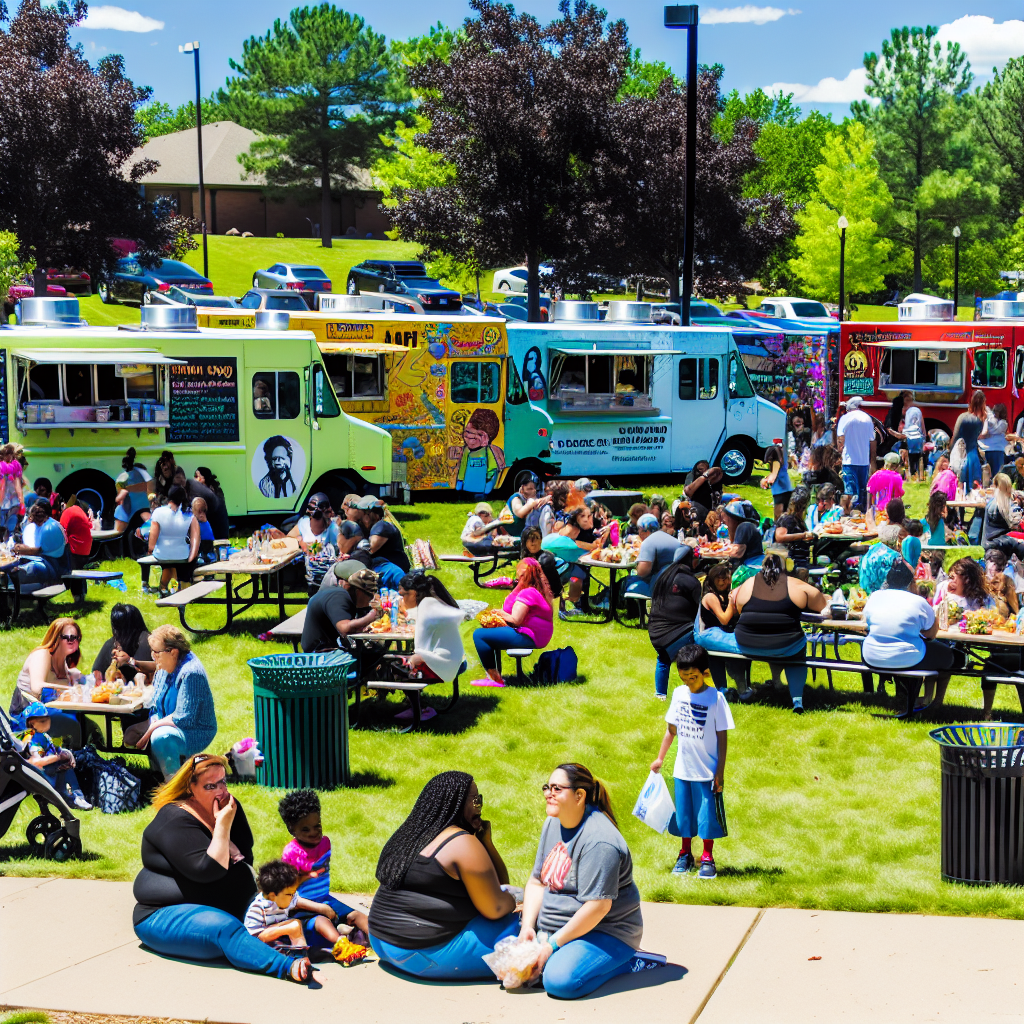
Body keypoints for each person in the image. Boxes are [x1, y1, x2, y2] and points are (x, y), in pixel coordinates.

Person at [133, 754, 311, 983]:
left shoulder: (227, 807)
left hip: (226, 908)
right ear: (190, 787)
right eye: (210, 785)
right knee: (225, 928)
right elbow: (208, 871)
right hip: (163, 916)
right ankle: (287, 966)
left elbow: (245, 857)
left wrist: (228, 820)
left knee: (289, 904)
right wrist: (223, 825)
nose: (220, 791)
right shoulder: (174, 818)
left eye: (223, 782)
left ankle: (348, 923)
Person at [519, 763, 659, 999]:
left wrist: (550, 946)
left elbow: (598, 907)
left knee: (559, 982)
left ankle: (627, 962)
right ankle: (557, 953)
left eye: (556, 789)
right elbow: (537, 882)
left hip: (606, 932)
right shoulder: (553, 822)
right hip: (559, 930)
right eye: (547, 787)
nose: (548, 794)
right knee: (500, 955)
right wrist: (527, 929)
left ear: (579, 796)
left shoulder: (599, 841)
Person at [367, 771, 517, 979]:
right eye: (474, 800)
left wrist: (487, 844)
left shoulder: (411, 835)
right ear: (455, 804)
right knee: (528, 928)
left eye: (479, 800)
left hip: (381, 943)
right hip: (423, 956)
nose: (479, 807)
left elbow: (496, 885)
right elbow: (496, 907)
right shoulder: (461, 842)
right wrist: (517, 901)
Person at [697, 550, 828, 712]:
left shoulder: (747, 585)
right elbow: (823, 607)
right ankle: (797, 700)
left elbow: (737, 609)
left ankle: (726, 689)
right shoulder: (798, 585)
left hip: (747, 643)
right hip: (787, 645)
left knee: (710, 642)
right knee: (798, 651)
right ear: (784, 569)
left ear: (761, 568)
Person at [650, 645, 733, 878]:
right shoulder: (678, 694)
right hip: (682, 770)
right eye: (683, 677)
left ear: (705, 672)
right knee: (684, 815)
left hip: (706, 771)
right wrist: (660, 758)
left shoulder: (715, 699)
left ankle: (707, 857)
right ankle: (685, 853)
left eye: (693, 677)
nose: (688, 682)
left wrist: (720, 772)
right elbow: (671, 730)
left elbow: (722, 737)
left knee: (707, 817)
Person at [863, 563, 966, 713]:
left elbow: (866, 622)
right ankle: (933, 701)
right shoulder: (918, 602)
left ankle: (908, 696)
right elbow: (930, 635)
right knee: (951, 657)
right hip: (908, 658)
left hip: (870, 656)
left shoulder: (875, 597)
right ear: (911, 583)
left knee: (925, 651)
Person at [123, 625, 217, 780]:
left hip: (194, 729)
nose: (153, 656)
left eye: (156, 652)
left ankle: (174, 784)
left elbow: (184, 718)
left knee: (161, 737)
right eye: (152, 651)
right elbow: (156, 705)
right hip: (166, 721)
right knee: (130, 735)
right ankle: (157, 773)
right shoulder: (164, 667)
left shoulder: (191, 673)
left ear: (173, 652)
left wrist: (151, 728)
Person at [278, 789, 369, 938]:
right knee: (322, 923)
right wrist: (321, 908)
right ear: (291, 829)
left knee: (358, 915)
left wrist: (326, 906)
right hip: (304, 906)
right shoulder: (292, 853)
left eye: (317, 825)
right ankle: (342, 945)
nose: (314, 832)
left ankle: (381, 942)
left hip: (325, 899)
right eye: (305, 829)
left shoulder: (325, 843)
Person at [244, 860, 359, 959]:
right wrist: (287, 927)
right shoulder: (257, 910)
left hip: (290, 937)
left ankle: (342, 943)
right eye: (290, 894)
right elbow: (254, 940)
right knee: (298, 928)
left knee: (319, 920)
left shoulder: (283, 898)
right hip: (275, 949)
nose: (293, 897)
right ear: (273, 895)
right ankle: (311, 953)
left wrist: (321, 908)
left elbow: (298, 902)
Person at [472, 558, 554, 687]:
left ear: (524, 576)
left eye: (520, 575)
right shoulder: (539, 591)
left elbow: (516, 619)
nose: (517, 579)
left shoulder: (528, 593)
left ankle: (495, 679)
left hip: (529, 636)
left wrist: (498, 613)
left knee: (479, 635)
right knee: (489, 633)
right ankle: (496, 676)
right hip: (536, 635)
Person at [397, 572, 469, 708]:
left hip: (444, 664)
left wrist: (411, 659)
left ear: (413, 593)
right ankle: (415, 704)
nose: (402, 600)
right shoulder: (430, 602)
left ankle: (418, 708)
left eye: (403, 595)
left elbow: (419, 648)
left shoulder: (427, 606)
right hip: (456, 659)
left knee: (396, 666)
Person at [301, 563, 384, 678]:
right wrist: (373, 615)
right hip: (321, 657)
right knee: (375, 656)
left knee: (375, 652)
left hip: (326, 652)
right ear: (359, 591)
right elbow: (344, 628)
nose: (370, 600)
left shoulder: (340, 594)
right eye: (370, 596)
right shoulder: (338, 597)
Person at [9, 618, 83, 745]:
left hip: (46, 710)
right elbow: (37, 688)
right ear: (55, 638)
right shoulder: (42, 655)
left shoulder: (64, 663)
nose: (74, 642)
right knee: (73, 724)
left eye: (77, 638)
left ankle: (78, 756)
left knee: (84, 720)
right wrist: (71, 689)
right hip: (27, 713)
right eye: (69, 637)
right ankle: (76, 758)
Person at [647, 545, 701, 700]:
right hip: (677, 632)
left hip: (655, 633)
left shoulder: (663, 576)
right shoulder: (691, 581)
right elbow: (700, 609)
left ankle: (660, 694)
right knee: (695, 653)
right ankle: (694, 689)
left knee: (663, 659)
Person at [16, 702, 92, 809]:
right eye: (42, 721)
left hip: (50, 770)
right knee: (64, 766)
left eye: (47, 719)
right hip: (43, 774)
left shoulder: (41, 735)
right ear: (32, 723)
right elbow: (36, 762)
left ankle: (72, 797)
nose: (47, 723)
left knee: (67, 761)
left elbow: (52, 749)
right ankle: (74, 798)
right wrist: (60, 757)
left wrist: (66, 753)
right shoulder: (33, 739)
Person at [697, 564, 749, 699]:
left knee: (720, 658)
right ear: (712, 580)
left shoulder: (725, 595)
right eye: (718, 579)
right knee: (739, 649)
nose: (721, 582)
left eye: (725, 579)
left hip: (722, 633)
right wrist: (733, 602)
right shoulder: (710, 596)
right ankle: (738, 690)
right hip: (709, 634)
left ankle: (724, 691)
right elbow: (724, 619)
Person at [551, 504, 610, 618]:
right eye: (582, 516)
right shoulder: (572, 528)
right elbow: (573, 544)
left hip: (582, 561)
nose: (586, 519)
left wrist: (604, 534)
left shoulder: (590, 526)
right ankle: (571, 604)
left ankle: (581, 604)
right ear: (576, 518)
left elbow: (598, 543)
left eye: (588, 515)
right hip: (568, 562)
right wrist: (592, 546)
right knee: (577, 577)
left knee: (583, 576)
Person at [148, 484, 200, 598]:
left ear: (169, 497)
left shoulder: (158, 512)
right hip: (182, 554)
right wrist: (192, 555)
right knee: (181, 566)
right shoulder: (189, 514)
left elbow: (153, 536)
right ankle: (184, 586)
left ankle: (163, 588)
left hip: (162, 553)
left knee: (167, 564)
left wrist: (150, 549)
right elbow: (195, 537)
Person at [91, 603, 155, 696]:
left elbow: (96, 675)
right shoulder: (111, 644)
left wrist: (129, 661)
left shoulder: (146, 642)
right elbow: (96, 674)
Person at [622, 513, 683, 599]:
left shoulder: (649, 542)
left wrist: (635, 565)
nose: (638, 533)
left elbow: (642, 572)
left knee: (626, 582)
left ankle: (611, 604)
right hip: (674, 584)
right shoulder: (674, 540)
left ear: (644, 530)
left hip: (657, 587)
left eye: (638, 529)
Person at [12, 499, 69, 586]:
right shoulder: (46, 525)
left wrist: (18, 549)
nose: (30, 520)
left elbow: (38, 550)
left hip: (54, 568)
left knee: (20, 572)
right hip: (48, 562)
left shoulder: (50, 528)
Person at [357, 496, 410, 587]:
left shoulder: (381, 526)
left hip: (393, 575)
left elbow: (370, 549)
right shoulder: (381, 525)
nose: (360, 520)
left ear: (369, 514)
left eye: (361, 516)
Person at [836, 396, 877, 511]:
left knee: (849, 492)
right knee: (863, 491)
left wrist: (840, 455)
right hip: (863, 462)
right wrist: (872, 461)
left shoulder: (844, 418)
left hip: (849, 462)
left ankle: (844, 515)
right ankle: (862, 514)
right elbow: (872, 440)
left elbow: (840, 440)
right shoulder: (867, 418)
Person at [59, 493, 93, 605]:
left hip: (75, 548)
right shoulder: (80, 511)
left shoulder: (68, 512)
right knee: (80, 571)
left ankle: (77, 598)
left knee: (73, 573)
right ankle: (82, 595)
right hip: (86, 548)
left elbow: (61, 530)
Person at [982, 472, 1024, 560]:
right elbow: (1016, 524)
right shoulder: (1000, 505)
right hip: (996, 543)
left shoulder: (992, 503)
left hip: (989, 543)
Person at [950, 390, 986, 488]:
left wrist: (950, 451)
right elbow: (976, 437)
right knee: (975, 485)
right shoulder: (979, 421)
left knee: (960, 483)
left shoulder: (962, 417)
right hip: (973, 454)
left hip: (961, 453)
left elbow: (956, 436)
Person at [858, 523, 908, 594]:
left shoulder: (871, 549)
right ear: (897, 540)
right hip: (884, 596)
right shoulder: (894, 556)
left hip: (865, 594)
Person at [113, 447, 153, 534]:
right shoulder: (142, 476)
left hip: (125, 514)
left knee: (118, 535)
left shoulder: (122, 479)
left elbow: (119, 498)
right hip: (136, 511)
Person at [773, 487, 813, 572]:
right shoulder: (787, 519)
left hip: (801, 561)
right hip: (792, 563)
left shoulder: (799, 520)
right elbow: (780, 537)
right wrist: (803, 535)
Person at [522, 526, 564, 601]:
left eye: (536, 538)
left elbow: (554, 588)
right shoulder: (525, 558)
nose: (533, 543)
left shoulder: (545, 560)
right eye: (529, 539)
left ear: (541, 540)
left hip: (547, 598)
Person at [720, 502, 763, 568]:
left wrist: (714, 553)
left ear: (734, 519)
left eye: (727, 517)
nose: (724, 521)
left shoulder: (744, 526)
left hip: (752, 567)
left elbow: (736, 553)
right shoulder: (747, 527)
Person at [984, 548, 1019, 619]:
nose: (993, 569)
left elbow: (1015, 608)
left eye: (999, 570)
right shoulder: (981, 580)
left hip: (1002, 622)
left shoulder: (1007, 580)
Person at [759, 445, 791, 518]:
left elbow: (773, 477)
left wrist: (764, 480)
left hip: (781, 493)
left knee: (779, 518)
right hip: (784, 491)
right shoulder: (781, 462)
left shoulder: (776, 462)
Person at [980, 401, 1009, 477]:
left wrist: (987, 431)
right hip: (986, 450)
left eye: (996, 411)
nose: (994, 413)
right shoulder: (990, 419)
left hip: (997, 450)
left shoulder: (1004, 423)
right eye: (994, 411)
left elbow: (995, 430)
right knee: (986, 474)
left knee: (997, 475)